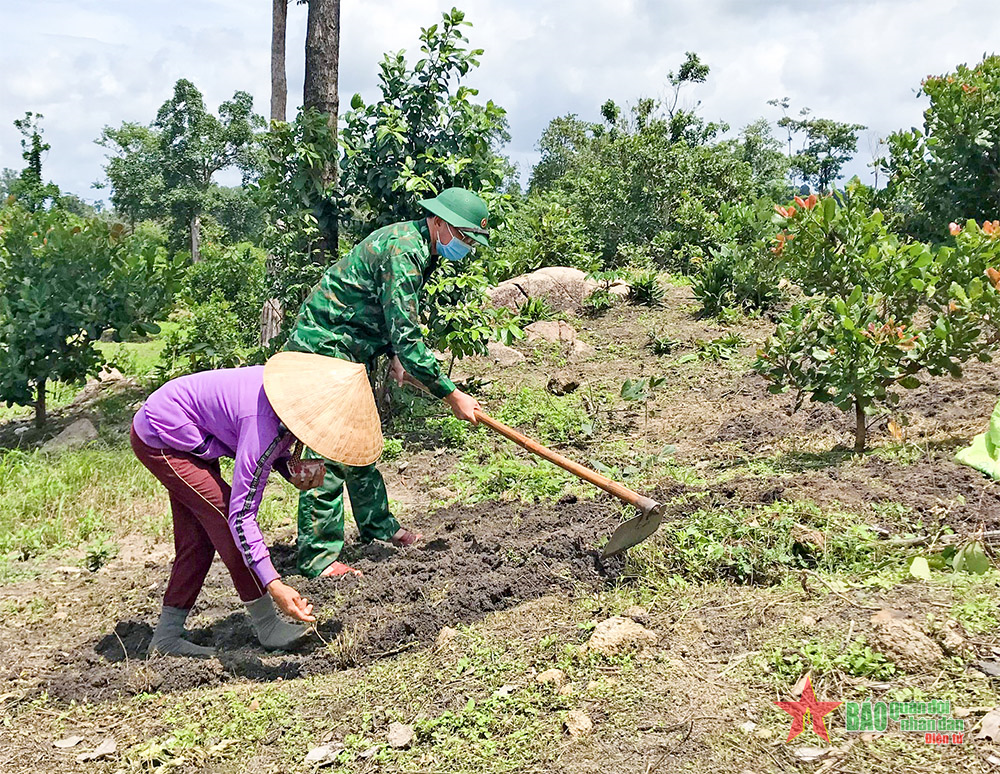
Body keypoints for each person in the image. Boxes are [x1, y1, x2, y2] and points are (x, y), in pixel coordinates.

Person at [285, 187, 489, 579]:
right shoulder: (403, 251)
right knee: (326, 449)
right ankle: (317, 556)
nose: (464, 246)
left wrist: (394, 353)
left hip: (353, 347)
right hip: (325, 346)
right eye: (463, 237)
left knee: (359, 440)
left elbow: (393, 315)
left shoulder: (420, 247)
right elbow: (410, 336)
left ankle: (378, 527)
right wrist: (451, 394)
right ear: (440, 222)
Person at [130, 353, 383, 656]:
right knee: (225, 518)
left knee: (198, 537)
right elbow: (241, 516)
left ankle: (167, 636)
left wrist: (290, 469)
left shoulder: (286, 400)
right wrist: (275, 585)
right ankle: (267, 625)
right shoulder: (262, 421)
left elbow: (271, 447)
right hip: (161, 438)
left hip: (187, 432)